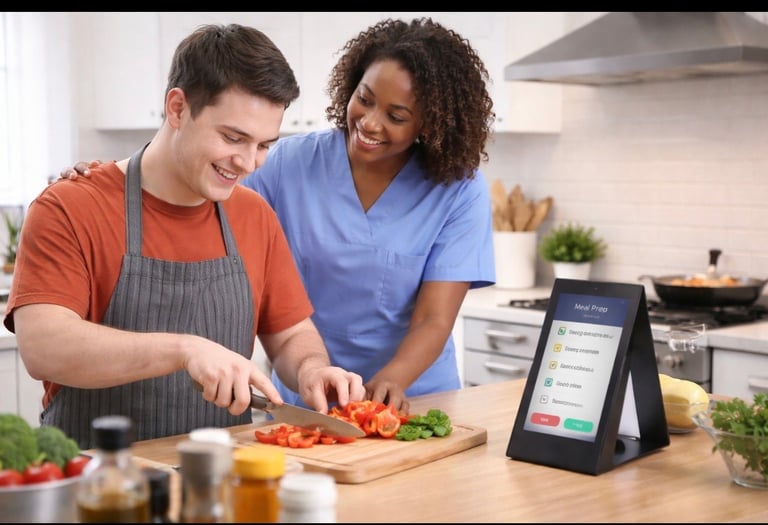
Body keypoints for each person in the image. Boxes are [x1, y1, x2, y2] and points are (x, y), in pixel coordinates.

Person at [59, 17, 496, 414]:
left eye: (397, 116)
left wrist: (388, 384)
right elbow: (193, 181)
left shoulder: (457, 188)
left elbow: (434, 319)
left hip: (413, 394)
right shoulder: (286, 164)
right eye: (365, 98)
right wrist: (115, 176)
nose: (371, 122)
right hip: (309, 394)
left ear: (431, 124)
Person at [4, 23, 365, 448]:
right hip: (99, 482)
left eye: (264, 144)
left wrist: (310, 369)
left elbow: (290, 334)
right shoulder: (70, 206)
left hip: (220, 476)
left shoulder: (254, 216)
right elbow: (44, 346)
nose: (248, 162)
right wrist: (184, 349)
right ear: (177, 108)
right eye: (233, 137)